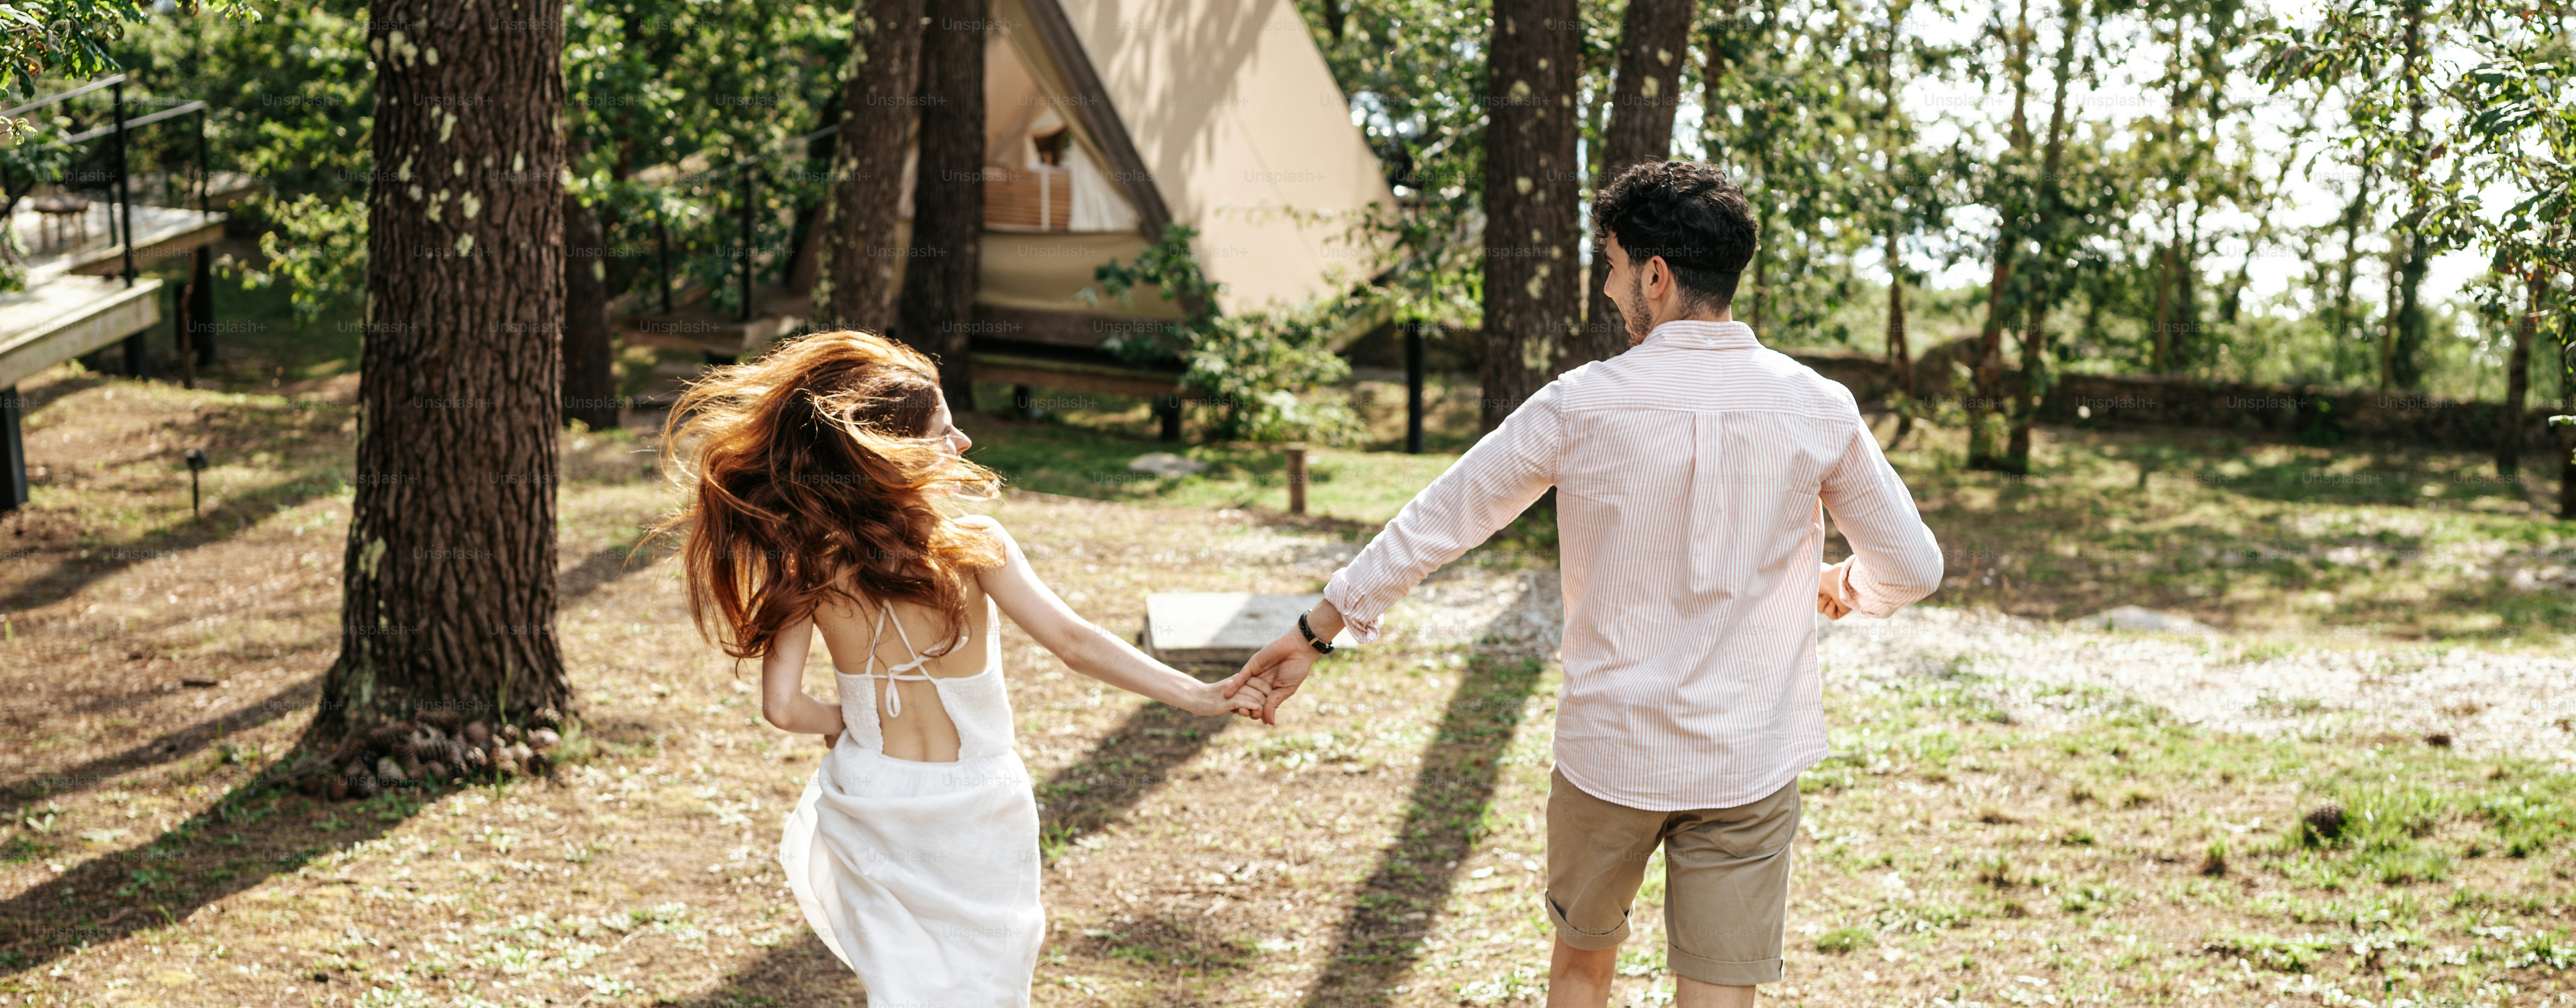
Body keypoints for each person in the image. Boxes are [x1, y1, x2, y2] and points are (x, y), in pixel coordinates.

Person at [1227, 160, 1944, 1008]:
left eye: (1609, 266)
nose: (1608, 289)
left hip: (1611, 755)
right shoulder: (1817, 405)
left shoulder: (1580, 404)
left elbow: (1442, 517)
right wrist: (1848, 585)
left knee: (1579, 967)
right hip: (1749, 759)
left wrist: (1317, 629)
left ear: (1655, 274)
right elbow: (1913, 567)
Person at [657, 332, 1268, 1006]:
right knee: (988, 988)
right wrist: (1199, 694)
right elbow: (1073, 642)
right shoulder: (976, 545)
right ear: (899, 454)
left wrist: (848, 720)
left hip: (870, 795)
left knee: (904, 991)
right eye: (946, 431)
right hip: (976, 805)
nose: (964, 444)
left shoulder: (806, 560)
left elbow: (782, 708)